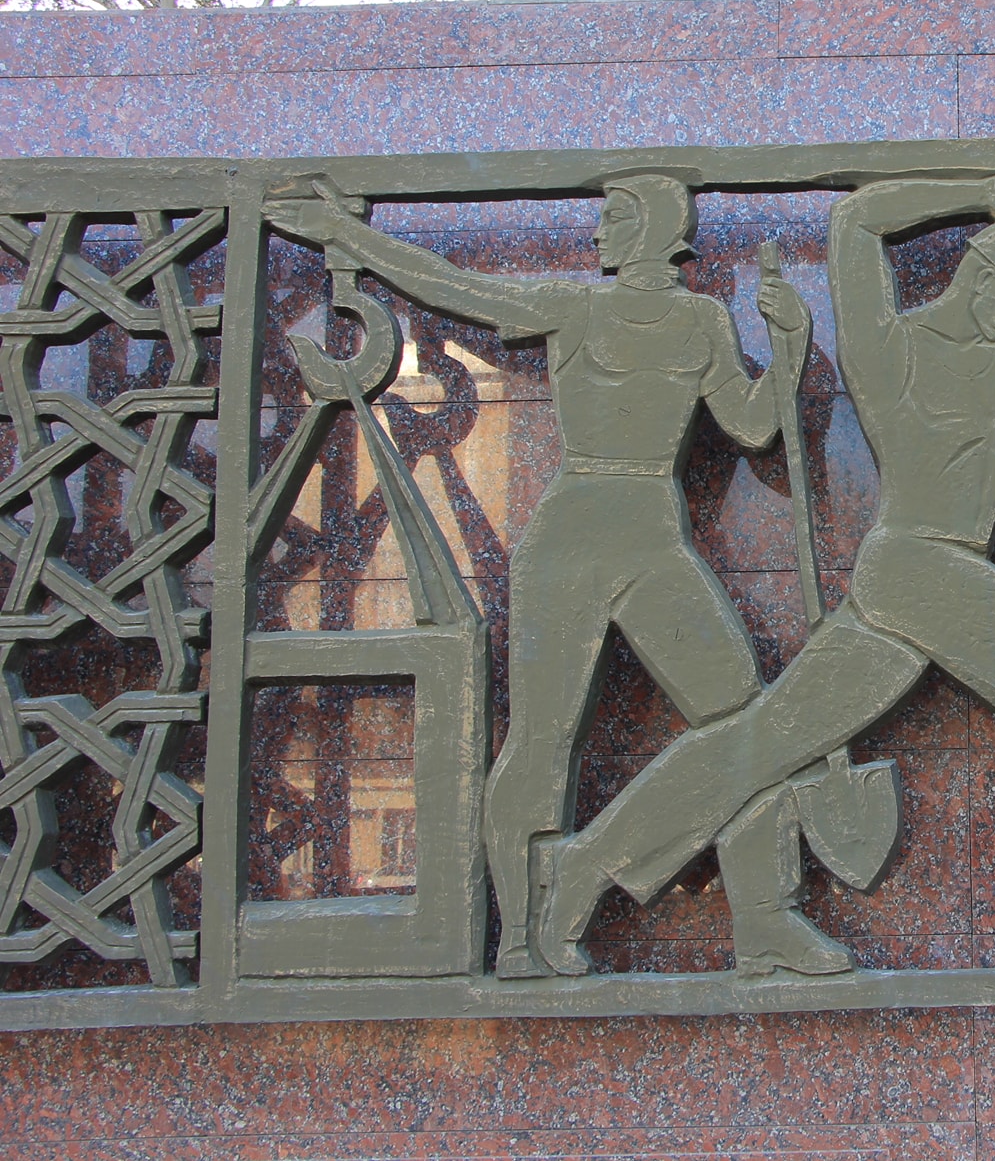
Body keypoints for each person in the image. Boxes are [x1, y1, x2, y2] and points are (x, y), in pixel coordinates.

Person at [527, 177, 995, 976]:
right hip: (916, 566)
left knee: (760, 743)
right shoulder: (891, 347)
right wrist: (982, 190)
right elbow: (854, 220)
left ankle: (582, 867)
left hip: (943, 577)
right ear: (976, 271)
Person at [263, 173, 824, 978]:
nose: (597, 231)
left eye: (615, 216)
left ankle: (764, 922)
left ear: (659, 230)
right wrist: (348, 238)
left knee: (745, 714)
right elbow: (454, 289)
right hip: (570, 539)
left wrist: (792, 344)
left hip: (652, 539)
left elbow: (754, 423)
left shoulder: (702, 321)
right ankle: (524, 936)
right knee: (542, 740)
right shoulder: (575, 308)